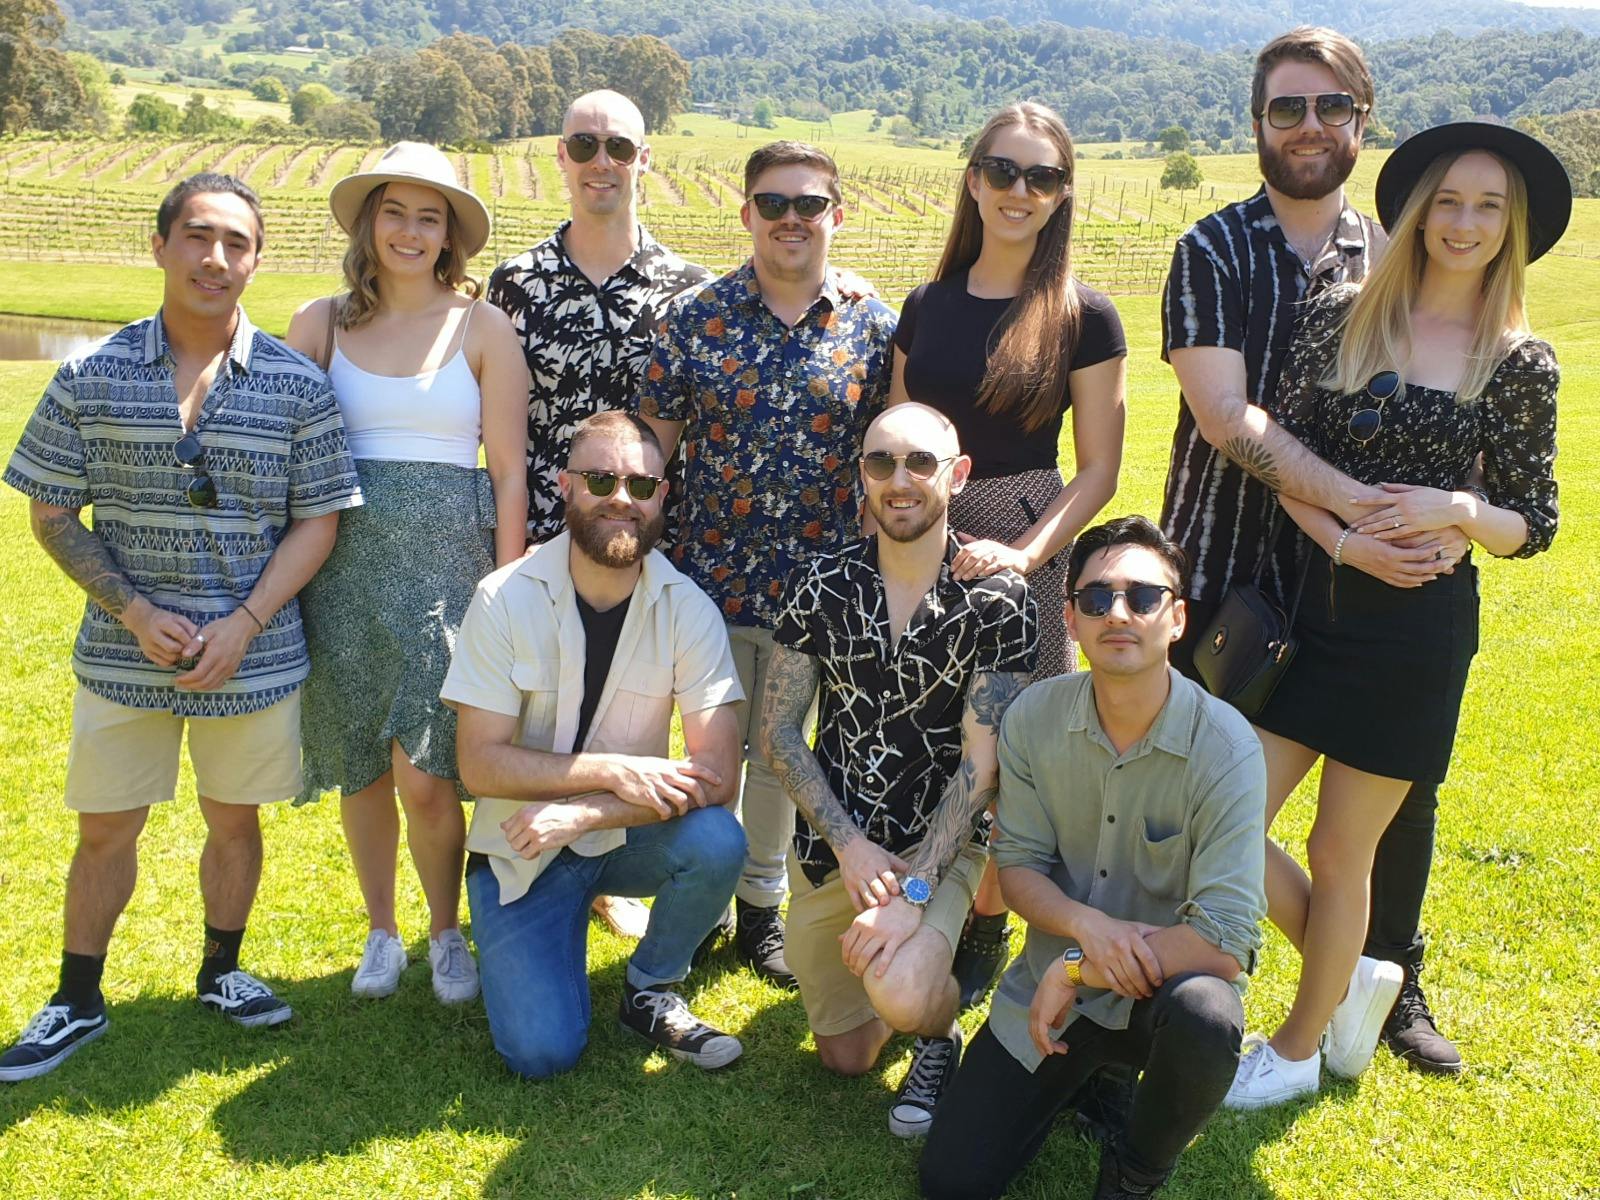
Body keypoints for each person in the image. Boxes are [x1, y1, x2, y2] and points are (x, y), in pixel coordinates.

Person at [1222, 122, 1565, 1107]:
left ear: (1511, 226)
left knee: (1340, 851)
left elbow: (1532, 522)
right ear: (1415, 212)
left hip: (1416, 633)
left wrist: (1459, 509)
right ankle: (1356, 979)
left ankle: (1298, 1049)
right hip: (1311, 608)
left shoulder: (1519, 360)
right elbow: (1284, 462)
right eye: (1448, 201)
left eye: (1488, 206)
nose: (1464, 223)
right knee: (1223, 813)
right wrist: (1345, 543)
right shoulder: (1340, 313)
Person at [0, 174, 363, 1082]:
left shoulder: (297, 385)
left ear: (257, 261)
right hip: (123, 654)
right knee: (104, 830)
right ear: (160, 245)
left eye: (237, 243)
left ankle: (221, 971)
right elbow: (50, 512)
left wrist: (245, 622)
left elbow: (318, 521)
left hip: (254, 656)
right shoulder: (90, 374)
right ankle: (78, 997)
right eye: (198, 236)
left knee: (234, 822)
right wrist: (133, 610)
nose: (215, 258)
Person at [1159, 25, 1470, 1074]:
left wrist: (1429, 520)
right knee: (1203, 798)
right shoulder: (1211, 248)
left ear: (1361, 122)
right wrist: (1357, 512)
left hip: (1362, 598)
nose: (1308, 126)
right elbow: (1224, 418)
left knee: (1388, 803)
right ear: (1257, 123)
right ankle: (1310, 979)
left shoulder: (1393, 256)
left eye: (1331, 106)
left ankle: (1393, 978)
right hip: (1224, 574)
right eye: (1286, 107)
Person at [920, 516, 1267, 1200]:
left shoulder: (1226, 747)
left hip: (1151, 997)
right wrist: (1085, 930)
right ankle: (1090, 1077)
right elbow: (1018, 869)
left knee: (1208, 1015)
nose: (1118, 613)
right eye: (1097, 597)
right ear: (1070, 619)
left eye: (1144, 597)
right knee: (950, 1184)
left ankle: (1135, 1172)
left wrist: (1081, 964)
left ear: (1177, 619)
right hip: (1050, 997)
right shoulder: (1033, 720)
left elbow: (1226, 940)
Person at [636, 141, 898, 988]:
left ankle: (761, 906)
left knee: (784, 757)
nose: (792, 218)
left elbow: (890, 455)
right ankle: (706, 894)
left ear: (836, 215)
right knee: (714, 755)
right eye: (774, 203)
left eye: (809, 203)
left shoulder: (872, 325)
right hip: (710, 582)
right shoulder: (695, 320)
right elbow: (652, 455)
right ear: (747, 212)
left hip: (819, 590)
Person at [890, 100, 1126, 1007]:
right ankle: (914, 902)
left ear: (1063, 193)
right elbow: (899, 437)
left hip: (1023, 542)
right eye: (1002, 170)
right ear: (972, 179)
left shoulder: (1085, 314)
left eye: (1042, 176)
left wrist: (1025, 557)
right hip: (921, 537)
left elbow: (1099, 470)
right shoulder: (928, 304)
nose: (1018, 190)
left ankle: (985, 922)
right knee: (927, 733)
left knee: (1010, 755)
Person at [285, 142, 529, 1006]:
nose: (411, 232)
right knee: (361, 765)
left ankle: (445, 930)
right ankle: (381, 931)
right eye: (395, 212)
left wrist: (505, 592)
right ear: (368, 223)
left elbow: (509, 474)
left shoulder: (483, 328)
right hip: (341, 569)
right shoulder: (318, 325)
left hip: (446, 572)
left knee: (428, 775)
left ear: (449, 236)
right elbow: (282, 456)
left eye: (430, 217)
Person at [442, 411, 748, 1078]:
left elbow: (718, 774)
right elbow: (478, 763)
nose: (622, 499)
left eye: (642, 485)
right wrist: (613, 770)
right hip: (521, 846)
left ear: (662, 496)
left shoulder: (688, 607)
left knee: (719, 838)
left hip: (620, 836)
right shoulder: (503, 599)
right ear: (566, 486)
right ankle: (535, 928)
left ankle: (651, 987)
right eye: (602, 480)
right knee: (541, 1053)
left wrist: (588, 811)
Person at [761, 403, 1035, 1138]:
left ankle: (939, 1032)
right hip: (834, 848)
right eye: (881, 463)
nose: (901, 479)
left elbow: (982, 765)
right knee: (846, 1056)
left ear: (958, 474)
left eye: (921, 462)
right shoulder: (821, 583)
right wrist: (850, 846)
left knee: (907, 996)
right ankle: (902, 965)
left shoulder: (999, 600)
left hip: (936, 850)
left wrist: (913, 893)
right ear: (863, 477)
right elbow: (779, 734)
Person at [488, 89, 715, 941]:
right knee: (541, 709)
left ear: (644, 160)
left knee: (630, 706)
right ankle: (535, 857)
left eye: (619, 146)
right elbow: (505, 434)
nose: (601, 162)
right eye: (583, 145)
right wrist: (510, 559)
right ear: (560, 156)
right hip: (545, 537)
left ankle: (609, 857)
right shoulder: (515, 285)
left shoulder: (688, 290)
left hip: (641, 538)